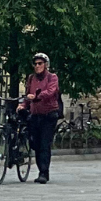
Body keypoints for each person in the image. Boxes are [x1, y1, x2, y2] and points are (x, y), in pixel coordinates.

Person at [22, 52, 62, 183]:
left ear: (46, 65)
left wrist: (37, 97)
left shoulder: (52, 77)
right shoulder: (31, 78)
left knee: (45, 143)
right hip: (35, 115)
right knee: (36, 144)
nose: (37, 66)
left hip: (49, 115)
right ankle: (41, 169)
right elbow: (28, 94)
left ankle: (44, 172)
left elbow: (50, 92)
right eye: (35, 64)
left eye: (40, 63)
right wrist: (23, 105)